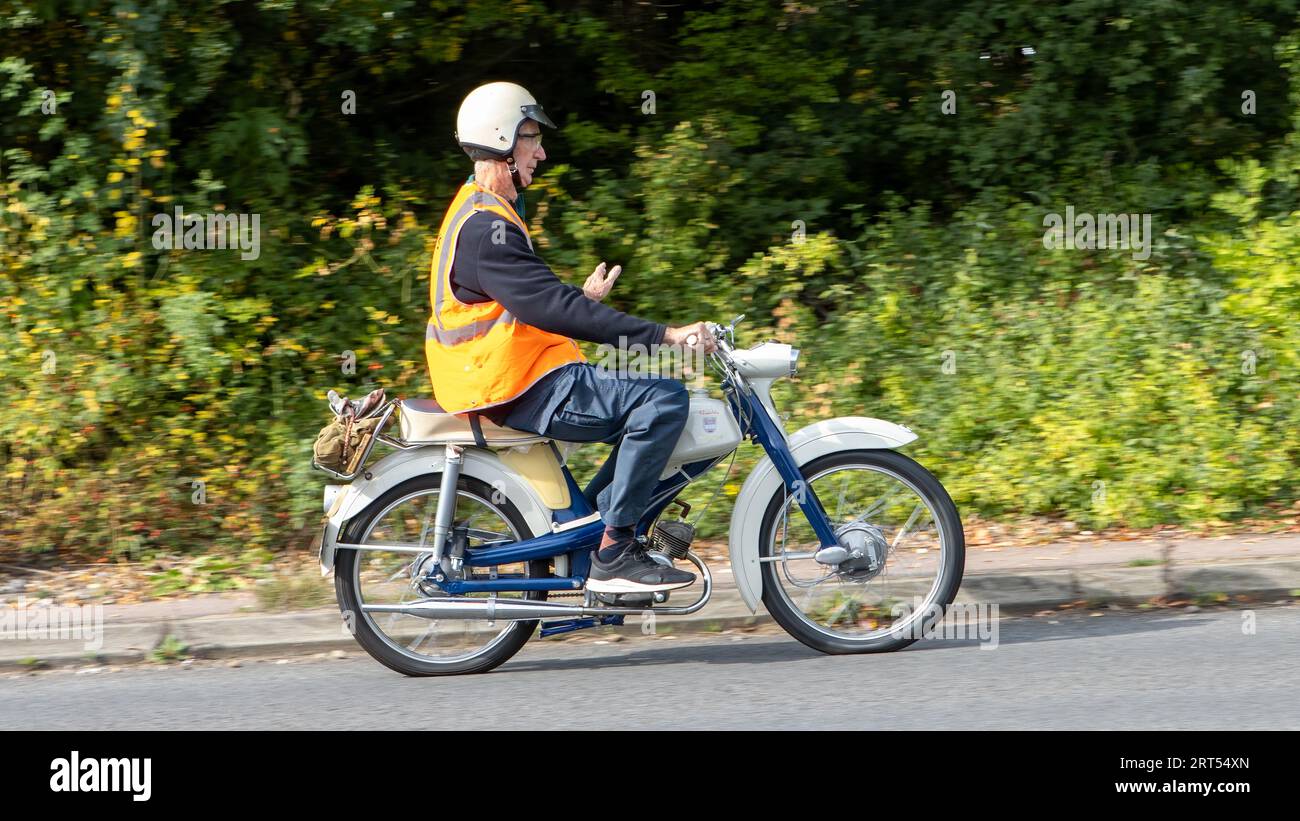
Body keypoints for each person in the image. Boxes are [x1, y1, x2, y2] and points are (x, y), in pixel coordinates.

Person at [425, 81, 717, 594]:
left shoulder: (482, 212)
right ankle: (616, 550)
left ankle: (600, 534)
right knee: (663, 401)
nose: (541, 151)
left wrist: (583, 299)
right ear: (501, 142)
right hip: (513, 385)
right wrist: (668, 335)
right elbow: (554, 310)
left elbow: (528, 300)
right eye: (531, 139)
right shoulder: (486, 227)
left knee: (648, 403)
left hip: (516, 375)